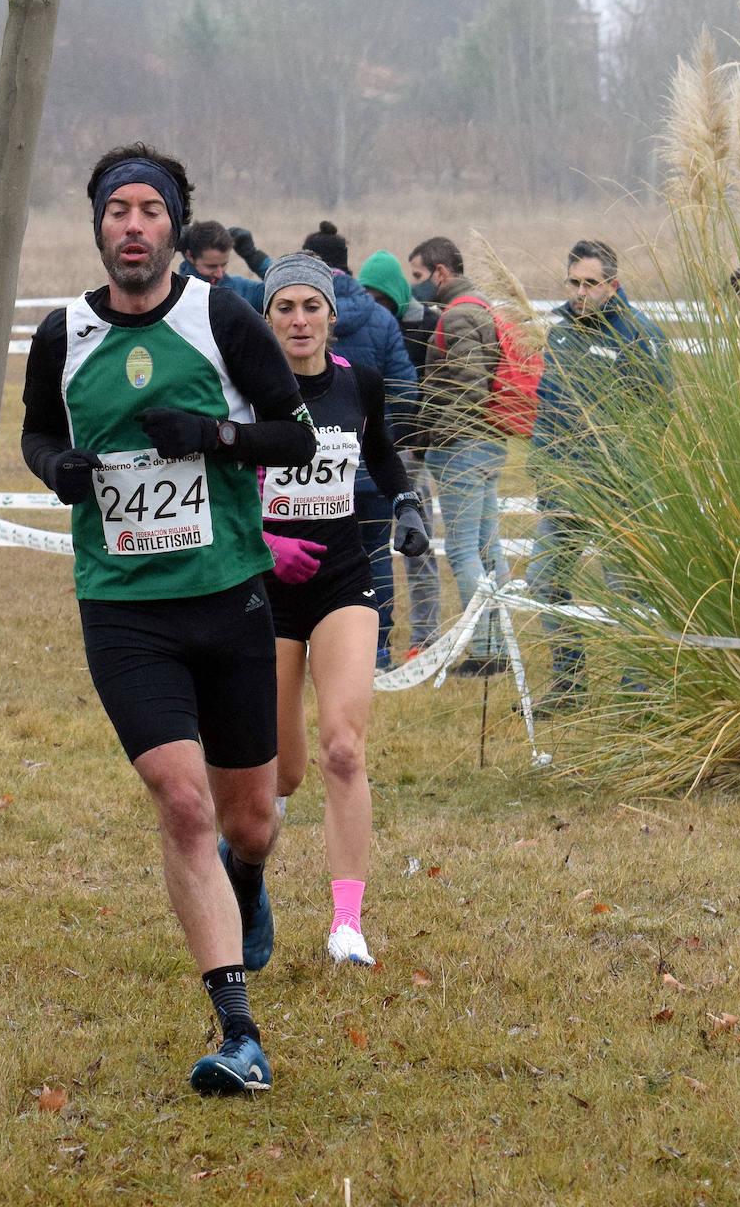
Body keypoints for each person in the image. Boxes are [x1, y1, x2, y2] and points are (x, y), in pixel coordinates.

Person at [19, 143, 316, 1097]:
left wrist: (214, 438)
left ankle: (252, 879)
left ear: (176, 226)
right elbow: (37, 430)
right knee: (182, 802)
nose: (134, 226)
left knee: (251, 821)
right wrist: (55, 470)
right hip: (123, 609)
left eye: (151, 210)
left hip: (228, 600)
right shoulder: (63, 334)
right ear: (98, 226)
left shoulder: (221, 317)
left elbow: (294, 433)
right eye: (118, 211)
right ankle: (239, 1031)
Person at [258, 252, 429, 966]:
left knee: (342, 749)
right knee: (279, 773)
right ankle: (245, 883)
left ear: (333, 314)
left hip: (342, 581)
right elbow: (215, 485)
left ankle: (347, 924)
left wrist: (408, 501)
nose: (299, 320)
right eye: (285, 308)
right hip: (263, 592)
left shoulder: (359, 385)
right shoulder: (247, 393)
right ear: (268, 318)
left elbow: (383, 453)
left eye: (311, 307)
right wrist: (264, 544)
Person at [525, 238, 673, 713]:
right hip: (562, 485)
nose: (580, 292)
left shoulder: (640, 335)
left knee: (626, 591)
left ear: (613, 284)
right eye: (574, 283)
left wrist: (623, 474)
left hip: (617, 489)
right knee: (544, 579)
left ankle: (637, 692)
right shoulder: (561, 333)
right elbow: (548, 407)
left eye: (591, 283)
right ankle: (569, 683)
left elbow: (656, 417)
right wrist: (543, 467)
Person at [300, 220, 418, 670]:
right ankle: (378, 647)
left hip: (310, 467)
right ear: (348, 264)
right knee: (374, 555)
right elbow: (407, 390)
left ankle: (317, 646)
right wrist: (388, 437)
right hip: (370, 468)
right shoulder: (382, 317)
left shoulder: (295, 313)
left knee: (314, 553)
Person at [410, 235, 508, 676]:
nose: (415, 286)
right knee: (490, 548)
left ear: (440, 273)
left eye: (418, 276)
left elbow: (468, 383)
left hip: (463, 447)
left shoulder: (461, 313)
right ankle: (500, 641)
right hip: (488, 443)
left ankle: (487, 649)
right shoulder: (479, 305)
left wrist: (437, 438)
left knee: (466, 550)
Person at [358, 248, 441, 660]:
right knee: (374, 549)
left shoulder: (426, 324)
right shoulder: (370, 325)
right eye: (367, 295)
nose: (374, 304)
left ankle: (426, 635)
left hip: (412, 449)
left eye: (380, 296)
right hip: (379, 449)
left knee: (418, 547)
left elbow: (427, 387)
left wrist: (413, 438)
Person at [177, 219, 271, 312]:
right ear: (189, 256)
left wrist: (254, 257)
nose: (220, 274)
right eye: (211, 266)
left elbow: (283, 286)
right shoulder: (174, 296)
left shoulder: (243, 290)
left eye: (224, 265)